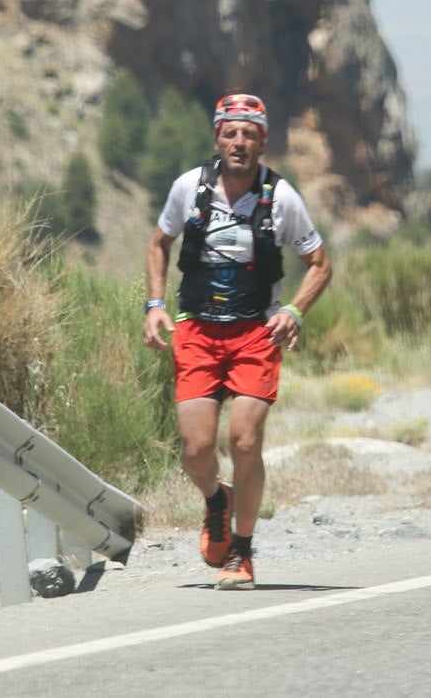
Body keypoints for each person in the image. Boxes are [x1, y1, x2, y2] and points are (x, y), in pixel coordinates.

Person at [143, 91, 332, 590]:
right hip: (198, 330)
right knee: (195, 449)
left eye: (250, 134)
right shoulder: (190, 188)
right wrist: (155, 305)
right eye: (231, 133)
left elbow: (320, 263)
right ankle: (216, 501)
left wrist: (293, 310)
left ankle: (241, 555)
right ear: (217, 137)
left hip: (254, 332)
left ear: (262, 142)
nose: (239, 142)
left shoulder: (281, 197)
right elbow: (160, 243)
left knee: (245, 441)